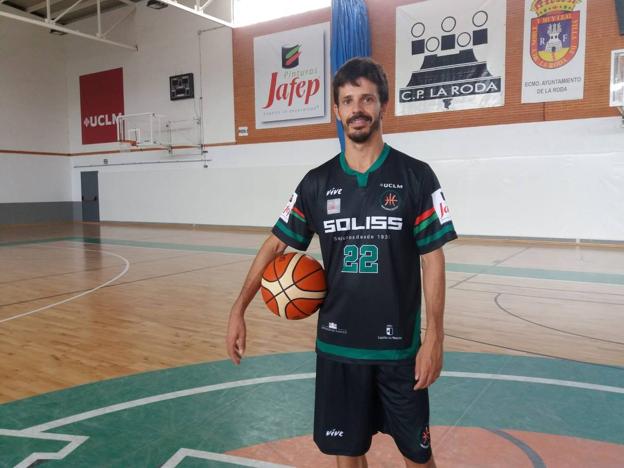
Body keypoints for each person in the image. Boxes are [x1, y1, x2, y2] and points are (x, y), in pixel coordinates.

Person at [226, 57, 457, 468]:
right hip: (338, 347)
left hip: (398, 351)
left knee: (418, 457)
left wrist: (434, 337)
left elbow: (432, 259)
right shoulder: (317, 182)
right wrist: (237, 309)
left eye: (367, 98)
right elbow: (275, 246)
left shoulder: (416, 176)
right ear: (336, 110)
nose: (357, 109)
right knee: (346, 454)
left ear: (382, 105)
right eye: (348, 100)